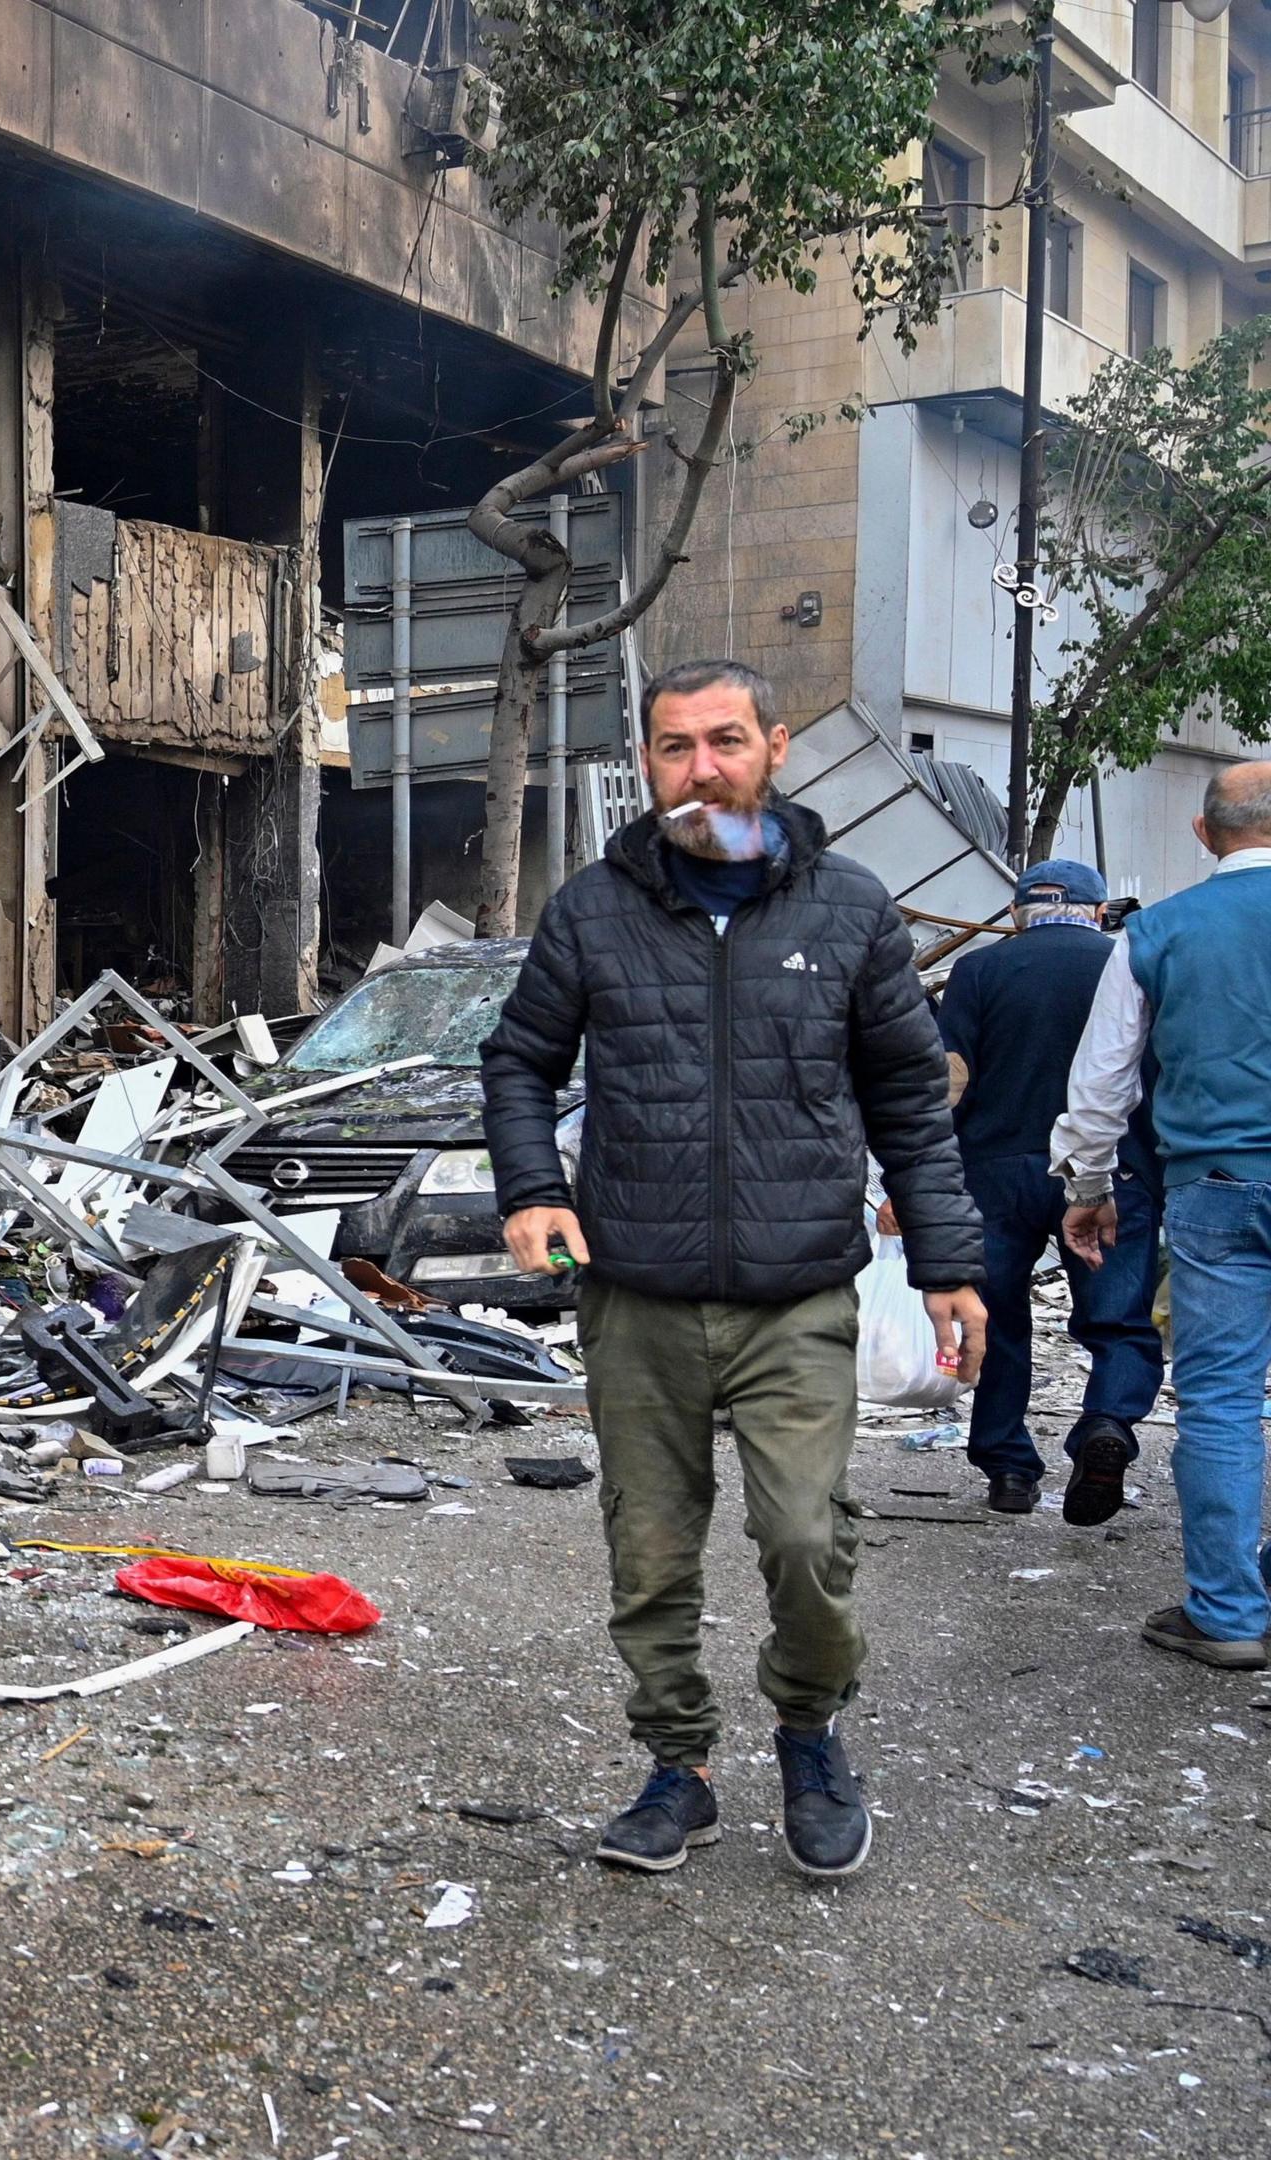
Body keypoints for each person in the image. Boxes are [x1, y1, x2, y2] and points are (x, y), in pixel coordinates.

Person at [480, 659, 985, 1881]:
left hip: (796, 1292)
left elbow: (911, 1098)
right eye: (672, 748)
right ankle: (678, 1765)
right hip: (635, 1294)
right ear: (647, 764)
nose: (699, 768)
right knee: (648, 1551)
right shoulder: (594, 909)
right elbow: (519, 1064)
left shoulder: (851, 909)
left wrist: (948, 1262)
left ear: (776, 746)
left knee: (805, 1538)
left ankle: (810, 1734)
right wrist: (533, 1189)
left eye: (723, 742)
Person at [1054, 761, 1271, 1672]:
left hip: (1214, 1180)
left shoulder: (1157, 933)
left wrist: (1089, 1189)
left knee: (1220, 1396)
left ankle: (1226, 1613)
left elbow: (1102, 1083)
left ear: (1202, 832)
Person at [936, 860, 1163, 1519]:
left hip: (996, 1170)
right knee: (1117, 1318)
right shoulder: (1128, 964)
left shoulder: (980, 970)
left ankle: (1008, 1469)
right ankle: (1108, 1425)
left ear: (1015, 915)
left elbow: (950, 1081)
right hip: (1109, 1170)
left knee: (999, 1316)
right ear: (1099, 912)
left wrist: (926, 1173)